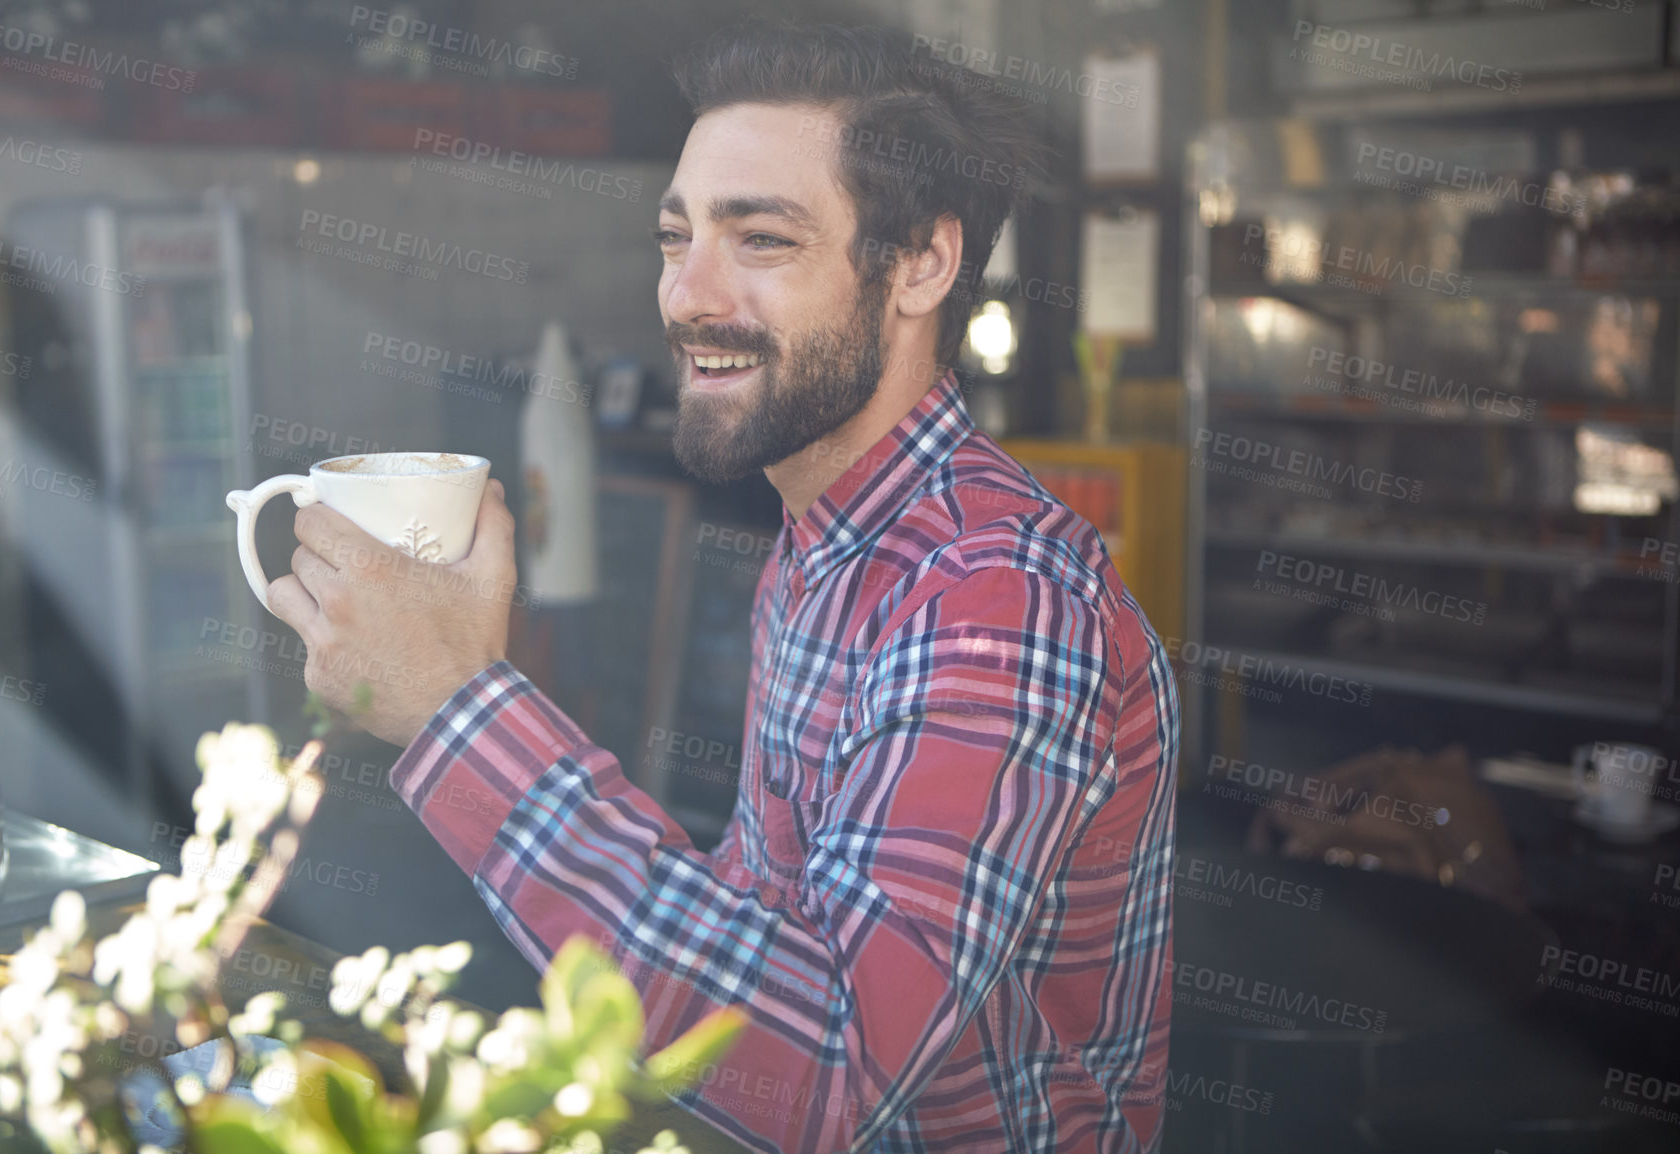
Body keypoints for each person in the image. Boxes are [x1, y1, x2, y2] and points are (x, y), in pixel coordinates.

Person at [268, 20, 1177, 1152]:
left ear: (920, 264)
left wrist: (457, 706)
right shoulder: (828, 541)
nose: (686, 295)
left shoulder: (997, 598)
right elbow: (763, 941)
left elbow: (827, 1069)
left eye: (761, 239)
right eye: (674, 236)